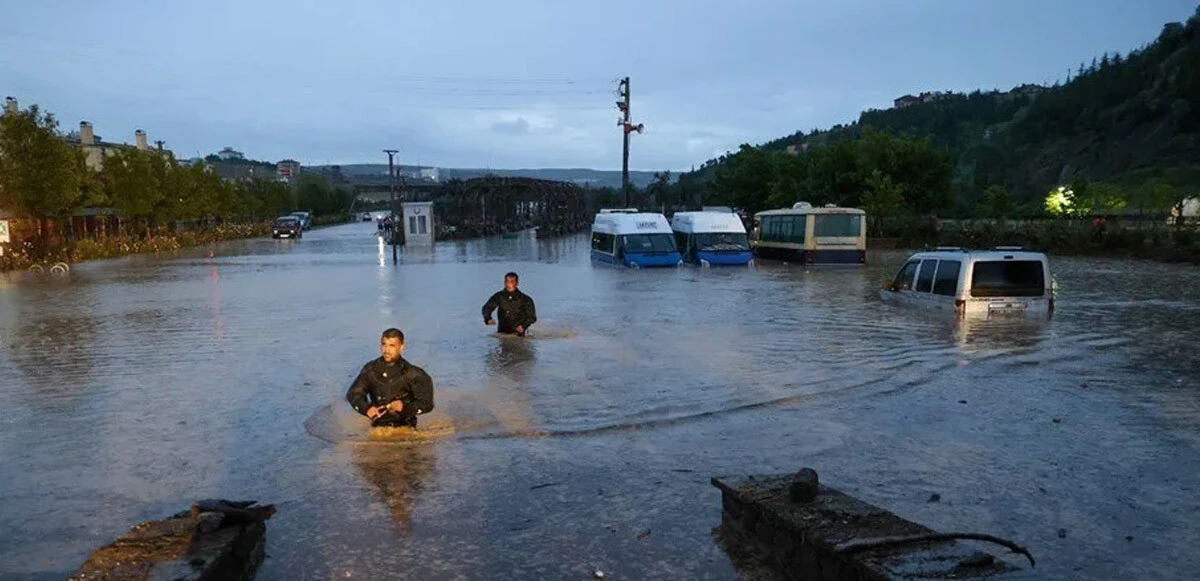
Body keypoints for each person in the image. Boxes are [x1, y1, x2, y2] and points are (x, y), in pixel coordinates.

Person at [346, 328, 435, 428]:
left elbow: (427, 404)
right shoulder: (370, 370)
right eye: (384, 344)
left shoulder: (414, 374)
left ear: (401, 347)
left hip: (406, 429)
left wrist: (404, 407)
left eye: (392, 345)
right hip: (378, 429)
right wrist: (366, 408)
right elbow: (353, 394)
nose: (386, 350)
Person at [482, 271, 537, 337]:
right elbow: (487, 308)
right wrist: (488, 318)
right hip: (502, 332)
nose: (509, 284)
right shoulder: (498, 296)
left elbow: (532, 317)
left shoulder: (525, 299)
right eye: (507, 281)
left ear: (517, 283)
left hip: (519, 333)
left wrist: (523, 326)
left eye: (512, 282)